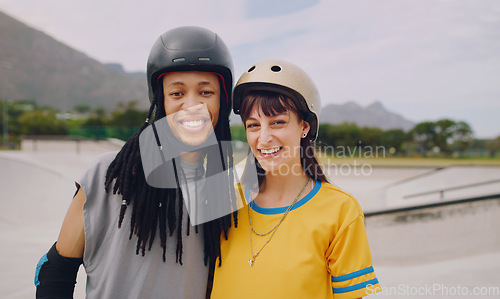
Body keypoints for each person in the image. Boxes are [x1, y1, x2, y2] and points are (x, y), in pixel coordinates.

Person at [34, 26, 237, 298]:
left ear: (222, 101)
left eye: (206, 92)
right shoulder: (108, 175)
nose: (192, 104)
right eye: (177, 93)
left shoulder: (224, 193)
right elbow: (54, 272)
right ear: (160, 101)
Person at [211, 60, 381, 298]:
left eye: (278, 122)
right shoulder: (225, 200)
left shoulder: (341, 211)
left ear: (304, 126)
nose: (264, 137)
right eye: (253, 125)